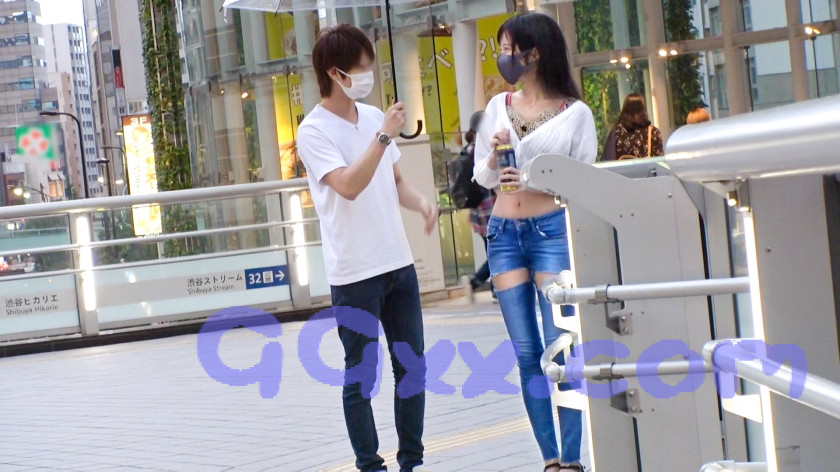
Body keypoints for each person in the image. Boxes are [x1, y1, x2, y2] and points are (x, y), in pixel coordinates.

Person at [296, 24, 437, 472]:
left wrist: (421, 203)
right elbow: (349, 186)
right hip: (355, 272)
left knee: (412, 367)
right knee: (361, 374)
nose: (367, 76)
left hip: (398, 263)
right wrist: (383, 136)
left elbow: (394, 181)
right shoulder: (313, 131)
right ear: (334, 73)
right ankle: (369, 465)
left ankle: (411, 461)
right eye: (359, 69)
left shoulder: (375, 116)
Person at [473, 13, 597, 472]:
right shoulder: (498, 106)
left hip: (550, 230)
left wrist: (539, 177)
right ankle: (551, 459)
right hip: (504, 233)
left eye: (510, 49)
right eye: (502, 49)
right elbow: (481, 177)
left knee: (560, 348)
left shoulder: (574, 113)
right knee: (526, 353)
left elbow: (584, 180)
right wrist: (493, 157)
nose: (504, 57)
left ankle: (572, 457)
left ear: (535, 52)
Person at [464, 111, 497, 298]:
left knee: (492, 250)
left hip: (478, 211)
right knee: (495, 251)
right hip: (489, 208)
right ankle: (478, 281)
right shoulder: (481, 149)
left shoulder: (467, 149)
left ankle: (491, 287)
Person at [601, 93, 664, 160]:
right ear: (643, 109)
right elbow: (660, 160)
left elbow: (608, 158)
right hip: (646, 167)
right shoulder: (653, 132)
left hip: (622, 167)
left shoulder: (617, 131)